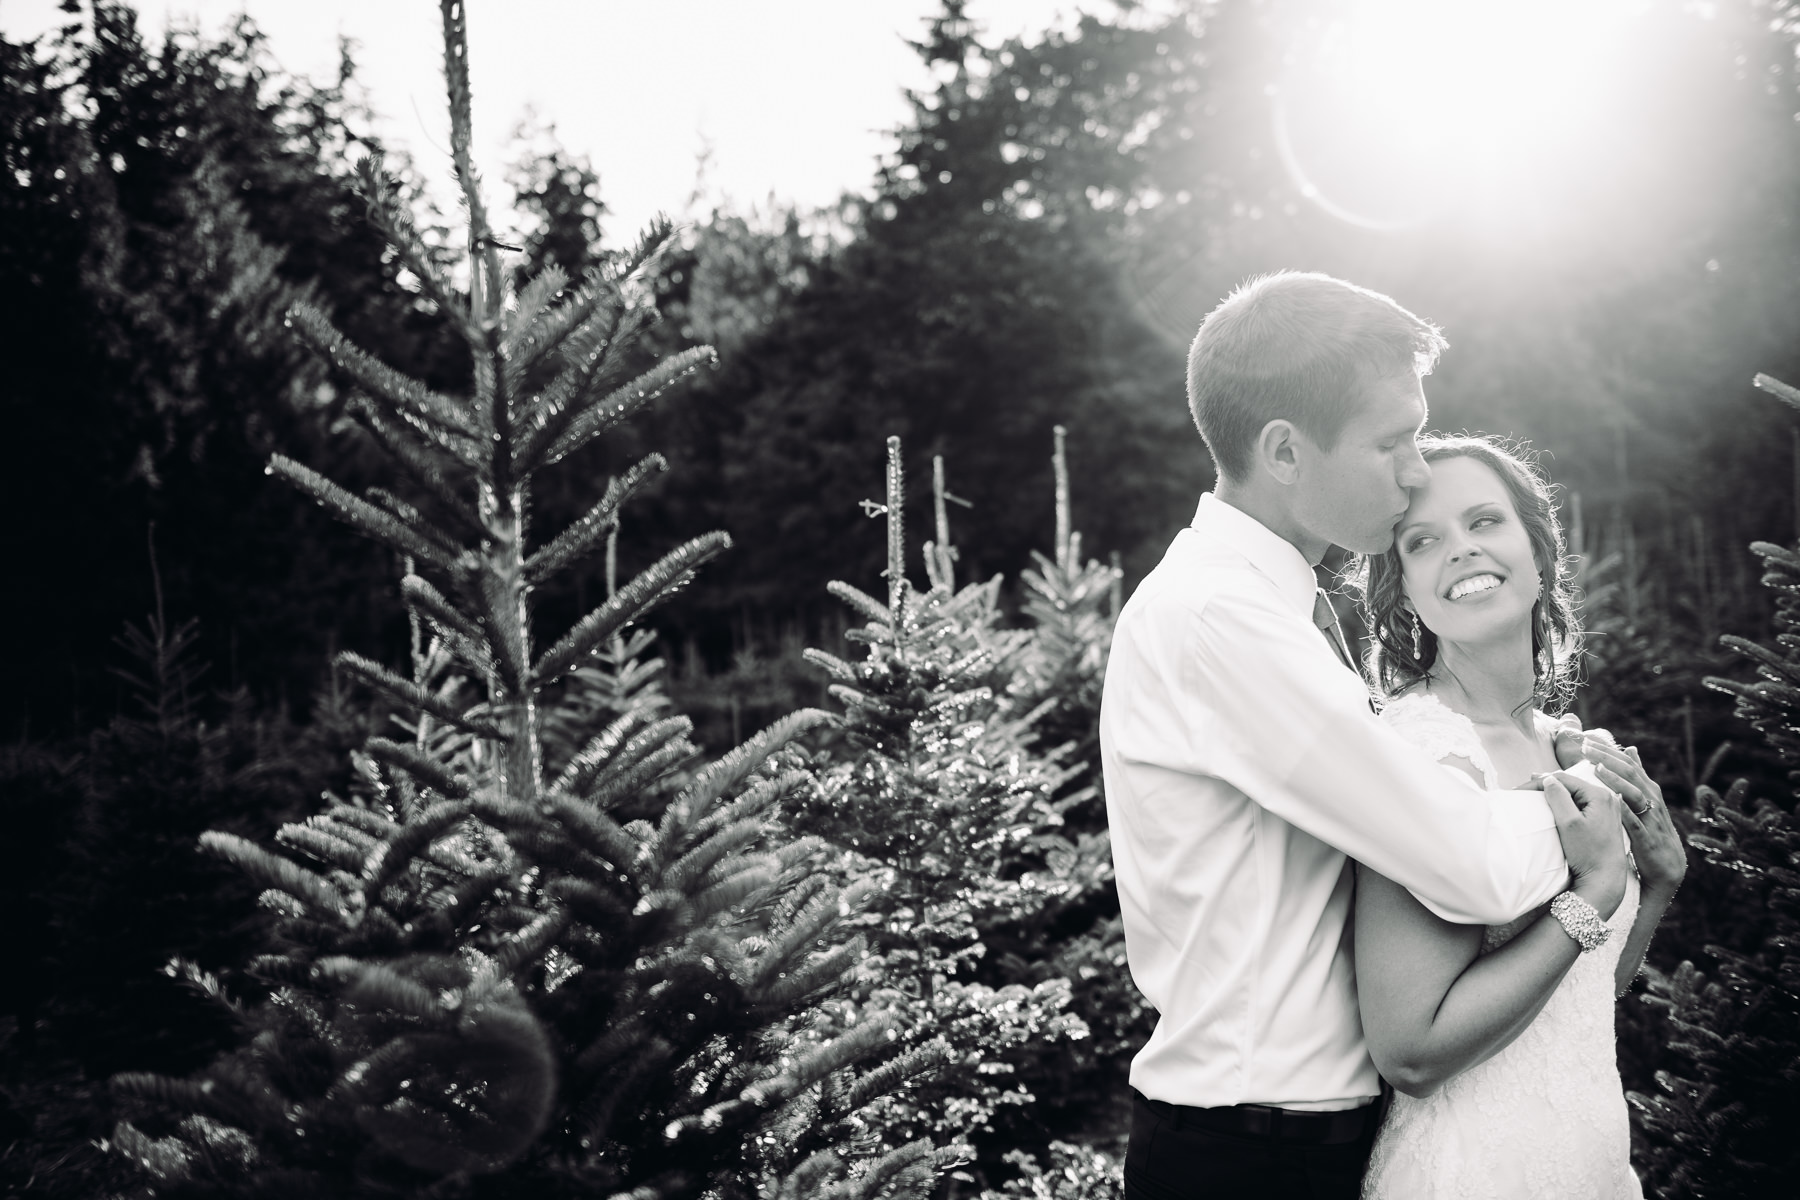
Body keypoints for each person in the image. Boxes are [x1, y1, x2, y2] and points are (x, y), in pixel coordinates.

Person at [1099, 271, 1626, 1200]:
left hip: (1299, 1143)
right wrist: (1593, 820)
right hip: (1250, 1159)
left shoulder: (1268, 607)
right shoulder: (1220, 621)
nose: (1417, 470)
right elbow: (1465, 864)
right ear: (1285, 452)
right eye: (1394, 441)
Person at [1352, 436, 1686, 1198]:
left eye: (1484, 522)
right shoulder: (1423, 757)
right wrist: (1597, 888)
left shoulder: (1568, 748)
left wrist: (1660, 883)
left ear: (1539, 553)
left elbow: (1578, 994)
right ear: (1402, 588)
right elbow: (1412, 1051)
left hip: (1587, 1157)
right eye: (1424, 540)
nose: (1462, 550)